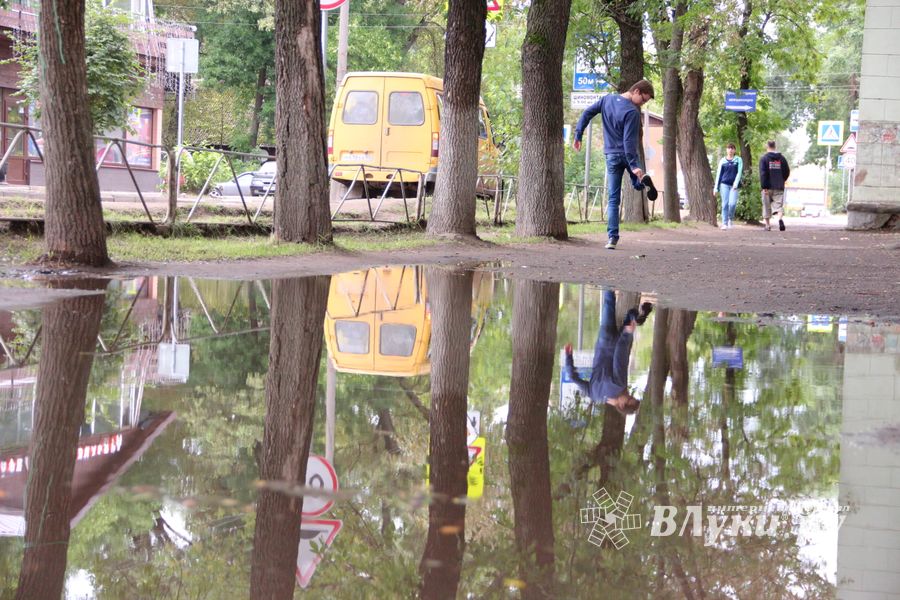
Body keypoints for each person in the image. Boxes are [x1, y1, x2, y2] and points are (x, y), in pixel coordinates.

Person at [572, 80, 658, 250]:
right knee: (637, 182)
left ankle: (612, 238)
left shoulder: (606, 100)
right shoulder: (632, 112)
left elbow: (587, 113)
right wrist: (634, 164)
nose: (642, 103)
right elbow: (628, 141)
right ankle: (641, 182)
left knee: (613, 199)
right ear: (636, 91)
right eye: (643, 100)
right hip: (627, 155)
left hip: (611, 155)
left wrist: (578, 134)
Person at [563, 290, 652, 416]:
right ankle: (606, 276)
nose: (629, 394)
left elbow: (619, 356)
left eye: (629, 398)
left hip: (614, 342)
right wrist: (568, 356)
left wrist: (627, 334)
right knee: (609, 301)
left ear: (621, 405)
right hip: (603, 342)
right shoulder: (595, 395)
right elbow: (572, 377)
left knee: (630, 316)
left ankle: (636, 318)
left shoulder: (620, 385)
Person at [759, 140, 790, 231]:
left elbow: (763, 173)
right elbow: (787, 172)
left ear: (767, 146)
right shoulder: (782, 158)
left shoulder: (764, 159)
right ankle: (780, 219)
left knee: (766, 205)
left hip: (767, 188)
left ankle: (768, 225)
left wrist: (764, 186)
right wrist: (782, 180)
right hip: (779, 186)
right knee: (778, 206)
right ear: (775, 146)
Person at [713, 143, 743, 229]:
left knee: (732, 204)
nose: (730, 150)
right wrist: (716, 188)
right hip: (724, 184)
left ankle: (730, 218)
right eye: (729, 148)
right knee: (724, 204)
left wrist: (736, 183)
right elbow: (719, 175)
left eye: (732, 148)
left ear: (734, 150)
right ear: (726, 150)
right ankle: (724, 223)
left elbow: (739, 172)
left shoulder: (738, 160)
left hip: (734, 185)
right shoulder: (722, 161)